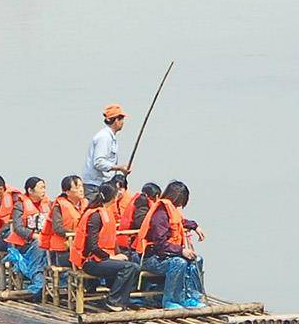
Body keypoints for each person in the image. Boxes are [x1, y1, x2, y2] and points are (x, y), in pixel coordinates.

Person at [75, 179, 141, 310]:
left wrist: (118, 254)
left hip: (103, 258)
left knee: (133, 262)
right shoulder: (95, 216)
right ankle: (113, 301)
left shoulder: (106, 212)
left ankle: (121, 300)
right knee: (129, 267)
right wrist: (111, 258)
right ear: (113, 197)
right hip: (92, 261)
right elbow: (92, 246)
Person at [140, 180, 205, 309]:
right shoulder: (160, 215)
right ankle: (171, 299)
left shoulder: (171, 212)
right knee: (178, 262)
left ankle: (191, 296)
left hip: (168, 254)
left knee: (196, 260)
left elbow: (182, 222)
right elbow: (160, 244)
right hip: (152, 258)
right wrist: (181, 251)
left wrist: (195, 226)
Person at [82, 103, 126, 192]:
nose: (123, 122)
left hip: (101, 184)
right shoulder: (104, 137)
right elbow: (98, 162)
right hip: (95, 185)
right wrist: (119, 168)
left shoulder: (110, 137)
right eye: (121, 119)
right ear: (116, 120)